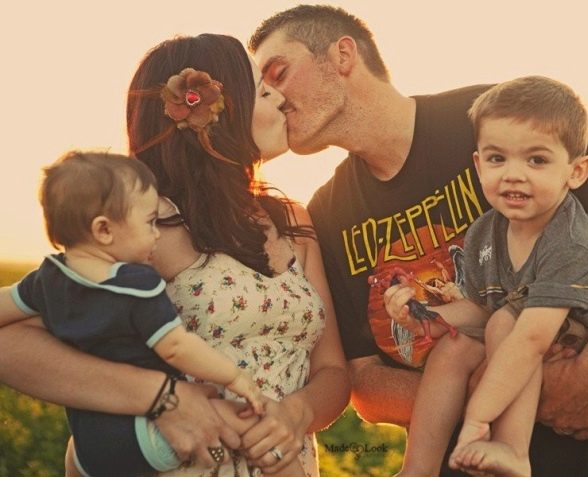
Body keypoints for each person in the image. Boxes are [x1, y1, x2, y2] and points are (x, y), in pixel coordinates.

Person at [248, 5, 588, 476]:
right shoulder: (327, 212)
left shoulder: (490, 119)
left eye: (278, 72)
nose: (271, 96)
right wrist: (505, 387)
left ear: (343, 55)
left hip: (587, 455)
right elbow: (366, 385)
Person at [0, 33, 350, 476]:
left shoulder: (292, 220)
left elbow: (332, 371)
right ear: (214, 117)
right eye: (262, 91)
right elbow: (10, 342)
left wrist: (296, 414)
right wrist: (163, 398)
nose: (280, 98)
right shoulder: (151, 228)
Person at [382, 76, 588, 477]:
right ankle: (418, 470)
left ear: (577, 171)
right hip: (551, 340)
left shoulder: (571, 240)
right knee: (455, 348)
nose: (513, 174)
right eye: (497, 159)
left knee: (507, 325)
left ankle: (512, 449)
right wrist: (426, 316)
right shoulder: (484, 233)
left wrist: (477, 419)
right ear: (479, 164)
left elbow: (529, 337)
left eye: (536, 160)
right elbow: (480, 309)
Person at [0, 150, 276, 476]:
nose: (157, 234)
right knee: (247, 424)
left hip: (88, 447)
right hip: (147, 433)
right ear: (104, 230)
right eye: (150, 223)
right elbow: (176, 347)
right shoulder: (137, 286)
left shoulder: (46, 279)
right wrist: (234, 377)